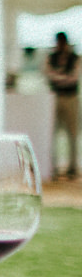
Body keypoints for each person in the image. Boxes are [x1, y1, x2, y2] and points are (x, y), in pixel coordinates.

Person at [45, 32, 80, 181]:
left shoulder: (75, 58)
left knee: (72, 133)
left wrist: (59, 77)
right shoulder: (51, 57)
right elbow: (48, 74)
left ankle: (72, 167)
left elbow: (74, 77)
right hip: (55, 98)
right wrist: (62, 77)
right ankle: (52, 166)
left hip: (70, 97)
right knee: (52, 133)